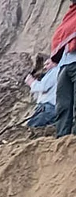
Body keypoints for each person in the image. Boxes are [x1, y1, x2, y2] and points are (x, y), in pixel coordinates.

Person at [52, 0, 76, 137]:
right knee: (62, 105)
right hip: (65, 63)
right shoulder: (70, 14)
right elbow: (62, 35)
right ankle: (62, 140)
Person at [25, 59, 59, 128]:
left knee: (31, 127)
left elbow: (43, 87)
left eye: (48, 64)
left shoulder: (55, 70)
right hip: (49, 108)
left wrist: (31, 82)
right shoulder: (57, 72)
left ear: (55, 63)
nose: (45, 67)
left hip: (48, 108)